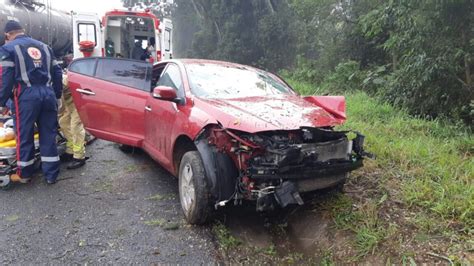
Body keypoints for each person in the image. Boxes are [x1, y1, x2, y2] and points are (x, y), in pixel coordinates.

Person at [0, 20, 62, 184]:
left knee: (24, 135)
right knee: (49, 134)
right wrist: (57, 95)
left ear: (8, 34)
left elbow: (5, 79)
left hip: (26, 95)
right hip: (48, 94)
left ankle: (25, 174)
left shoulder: (8, 48)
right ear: (23, 30)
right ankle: (51, 175)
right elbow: (57, 72)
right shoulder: (45, 47)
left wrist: (1, 103)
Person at [58, 70, 86, 169]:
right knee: (63, 123)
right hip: (69, 101)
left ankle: (79, 157)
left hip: (79, 101)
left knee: (75, 127)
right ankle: (71, 150)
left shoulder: (58, 81)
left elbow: (59, 105)